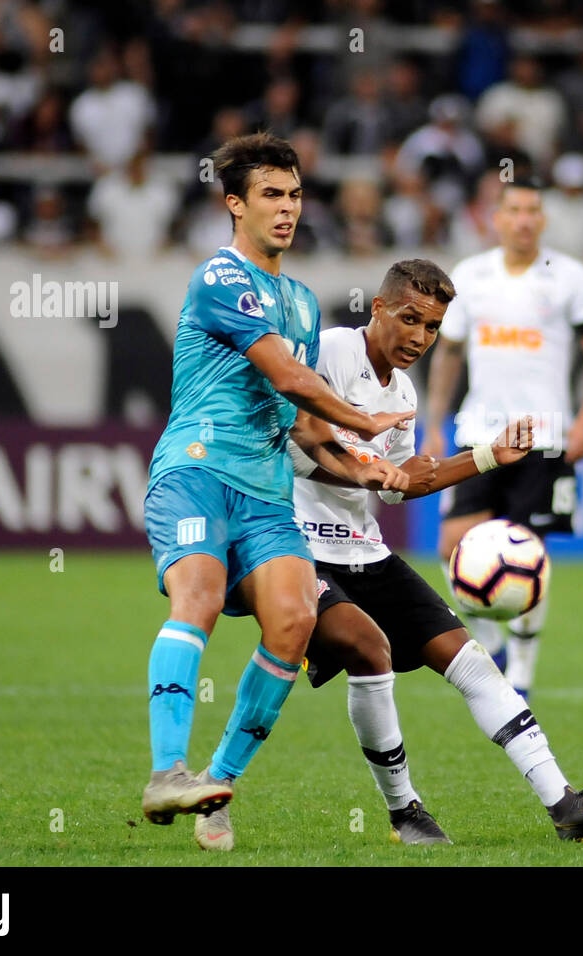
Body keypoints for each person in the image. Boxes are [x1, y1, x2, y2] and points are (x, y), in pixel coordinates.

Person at [193, 258, 583, 850]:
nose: (419, 338)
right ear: (378, 308)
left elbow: (405, 480)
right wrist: (371, 470)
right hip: (294, 543)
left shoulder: (401, 392)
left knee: (470, 659)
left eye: (432, 328)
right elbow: (303, 435)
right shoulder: (327, 351)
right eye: (410, 319)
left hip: (364, 549)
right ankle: (404, 812)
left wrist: (488, 457)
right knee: (368, 647)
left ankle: (564, 803)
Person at [140, 132, 413, 831]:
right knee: (196, 598)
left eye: (294, 194)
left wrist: (364, 465)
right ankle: (167, 772)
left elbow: (300, 422)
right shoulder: (221, 278)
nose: (287, 208)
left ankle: (213, 790)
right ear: (235, 204)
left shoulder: (301, 300)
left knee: (293, 622)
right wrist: (365, 418)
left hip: (264, 491)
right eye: (271, 195)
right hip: (198, 471)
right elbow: (289, 375)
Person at [421, 178, 583, 698]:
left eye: (533, 210)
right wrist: (436, 421)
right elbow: (450, 353)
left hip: (544, 435)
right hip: (480, 431)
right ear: (496, 218)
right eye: (514, 210)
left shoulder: (569, 277)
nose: (524, 219)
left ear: (543, 219)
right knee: (450, 543)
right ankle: (491, 641)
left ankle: (523, 670)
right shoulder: (471, 275)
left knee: (529, 551)